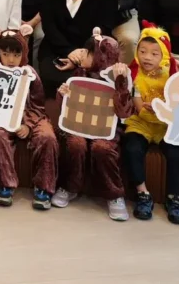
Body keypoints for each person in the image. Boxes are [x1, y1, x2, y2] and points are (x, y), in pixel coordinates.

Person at [110, 24, 179, 223]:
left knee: (176, 153)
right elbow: (137, 103)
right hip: (140, 122)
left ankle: (174, 198)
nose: (147, 57)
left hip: (165, 124)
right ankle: (142, 193)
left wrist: (162, 108)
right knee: (132, 148)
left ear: (164, 56)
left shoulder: (172, 76)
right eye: (142, 51)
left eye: (154, 53)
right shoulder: (134, 74)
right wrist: (144, 107)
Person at [53, 31, 128, 220]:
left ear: (101, 57)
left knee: (102, 148)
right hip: (79, 125)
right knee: (75, 144)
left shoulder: (118, 76)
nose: (82, 54)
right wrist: (63, 94)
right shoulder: (80, 73)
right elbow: (66, 107)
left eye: (88, 52)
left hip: (105, 129)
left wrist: (121, 84)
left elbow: (124, 112)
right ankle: (69, 186)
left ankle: (114, 195)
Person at [0, 27, 58, 210]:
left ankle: (43, 187)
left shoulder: (30, 73)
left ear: (23, 53)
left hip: (32, 115)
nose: (11, 60)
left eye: (16, 55)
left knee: (47, 137)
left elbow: (38, 104)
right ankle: (5, 184)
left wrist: (27, 124)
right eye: (5, 54)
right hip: (3, 117)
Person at [38, 0, 118, 96]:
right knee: (53, 75)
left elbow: (106, 25)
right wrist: (69, 52)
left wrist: (82, 56)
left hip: (92, 52)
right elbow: (49, 26)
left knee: (88, 81)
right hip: (57, 49)